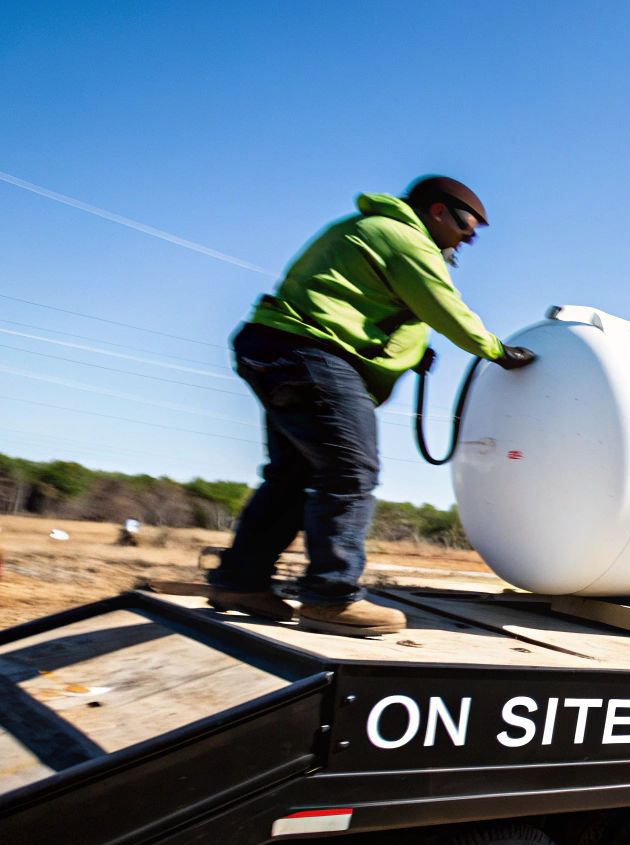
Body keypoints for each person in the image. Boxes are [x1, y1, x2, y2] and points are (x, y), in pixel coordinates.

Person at [207, 175, 536, 636]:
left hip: (276, 347)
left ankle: (240, 583)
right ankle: (330, 598)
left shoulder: (368, 228)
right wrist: (498, 351)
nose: (470, 237)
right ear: (437, 211)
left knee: (292, 475)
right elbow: (444, 307)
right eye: (468, 225)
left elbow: (359, 302)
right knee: (350, 472)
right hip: (311, 352)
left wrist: (412, 352)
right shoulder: (405, 238)